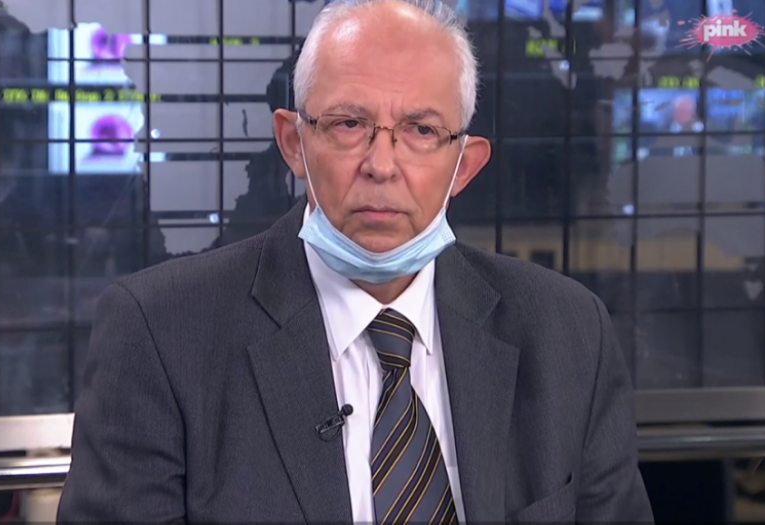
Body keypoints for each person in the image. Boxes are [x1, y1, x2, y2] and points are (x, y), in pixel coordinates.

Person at [57, 1, 654, 523]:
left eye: (421, 130)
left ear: (464, 166)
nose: (382, 165)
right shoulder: (160, 335)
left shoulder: (569, 333)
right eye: (349, 124)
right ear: (294, 143)